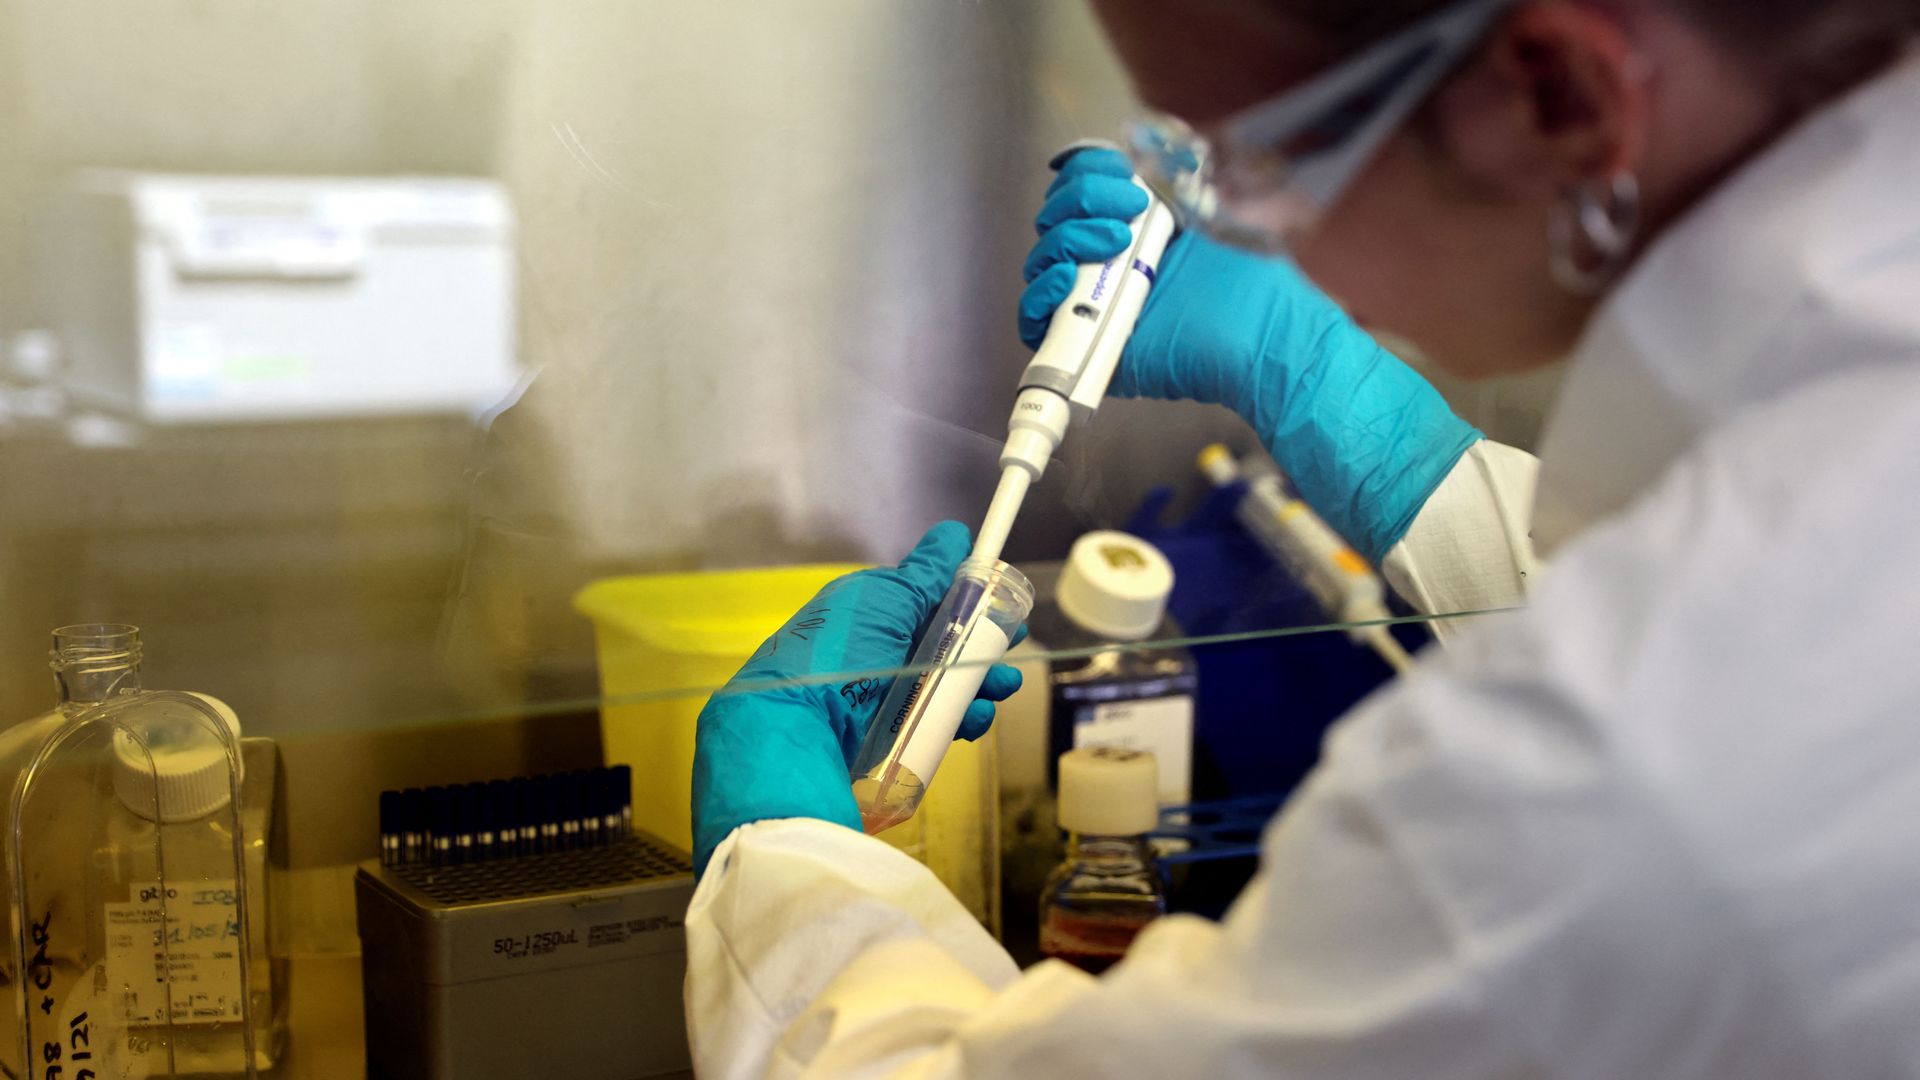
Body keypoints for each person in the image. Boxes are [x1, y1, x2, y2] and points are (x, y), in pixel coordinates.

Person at [686, 0, 1920, 1075]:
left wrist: (779, 854)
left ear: (1560, 97)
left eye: (1244, 158)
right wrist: (1359, 414)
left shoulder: (1597, 783)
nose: (1219, 222)